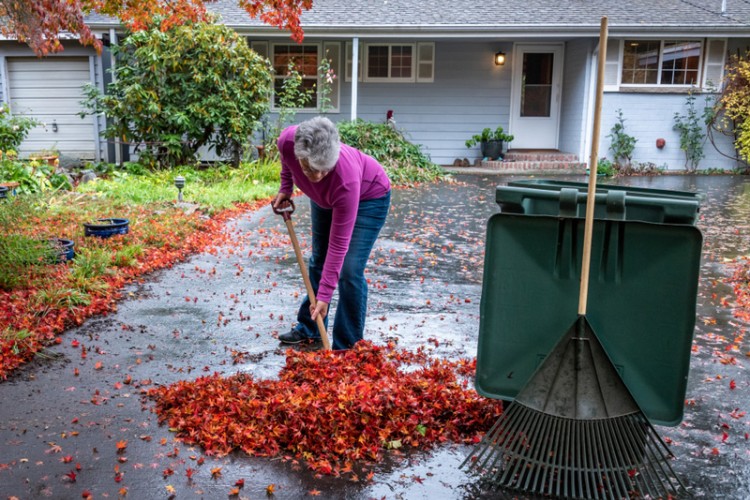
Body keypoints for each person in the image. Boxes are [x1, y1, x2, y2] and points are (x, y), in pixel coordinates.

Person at [273, 117, 391, 350]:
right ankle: (312, 327)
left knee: (349, 269)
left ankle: (347, 344)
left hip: (370, 198)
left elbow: (339, 246)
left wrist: (325, 296)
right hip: (324, 200)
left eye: (323, 170)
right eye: (309, 168)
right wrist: (286, 188)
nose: (316, 177)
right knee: (318, 260)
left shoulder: (345, 180)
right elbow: (287, 161)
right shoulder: (288, 141)